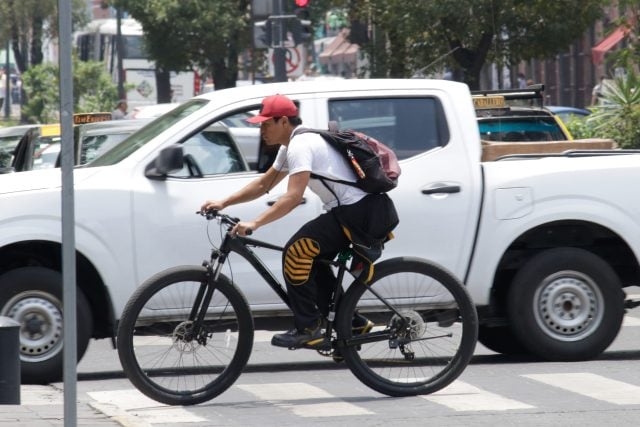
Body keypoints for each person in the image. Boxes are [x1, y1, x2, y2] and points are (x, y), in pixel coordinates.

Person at [200, 94, 398, 349]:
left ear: (283, 121)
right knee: (311, 258)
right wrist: (224, 202)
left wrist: (255, 223)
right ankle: (351, 323)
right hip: (350, 211)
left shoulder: (301, 145)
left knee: (297, 251)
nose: (261, 131)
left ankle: (309, 327)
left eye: (265, 124)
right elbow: (264, 184)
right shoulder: (289, 146)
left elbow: (294, 197)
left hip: (359, 212)